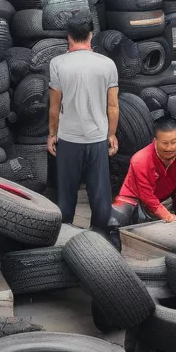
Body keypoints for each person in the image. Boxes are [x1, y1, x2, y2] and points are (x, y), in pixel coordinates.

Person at [48, 14, 119, 232]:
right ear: (91, 34)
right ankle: (97, 243)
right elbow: (113, 106)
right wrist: (112, 135)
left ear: (68, 36)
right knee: (100, 199)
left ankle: (65, 242)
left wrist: (52, 134)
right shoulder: (107, 64)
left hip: (69, 140)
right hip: (97, 139)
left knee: (66, 199)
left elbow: (54, 107)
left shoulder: (57, 63)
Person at [111, 115, 176, 226]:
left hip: (163, 198)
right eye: (164, 143)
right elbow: (147, 196)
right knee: (114, 220)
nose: (169, 148)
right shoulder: (140, 160)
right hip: (134, 197)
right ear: (155, 141)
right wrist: (167, 216)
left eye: (173, 142)